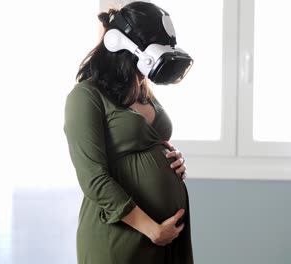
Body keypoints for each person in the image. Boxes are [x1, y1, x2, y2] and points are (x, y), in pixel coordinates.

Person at [63, 2, 193, 263]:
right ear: (118, 43)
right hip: (122, 237)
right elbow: (93, 178)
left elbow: (146, 143)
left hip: (167, 237)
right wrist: (152, 230)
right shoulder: (86, 97)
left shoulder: (143, 90)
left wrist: (173, 159)